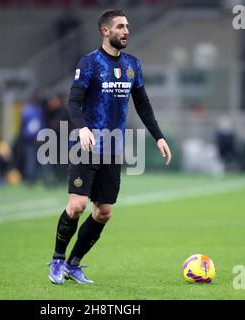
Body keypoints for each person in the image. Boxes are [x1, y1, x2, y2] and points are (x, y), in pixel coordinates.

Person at [47, 9, 172, 284]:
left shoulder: (132, 65)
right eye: (119, 26)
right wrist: (82, 130)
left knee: (104, 212)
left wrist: (159, 136)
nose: (126, 30)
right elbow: (74, 102)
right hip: (86, 145)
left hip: (113, 148)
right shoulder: (89, 63)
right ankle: (56, 260)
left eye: (127, 26)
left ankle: (74, 264)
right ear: (105, 31)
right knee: (77, 206)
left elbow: (143, 104)